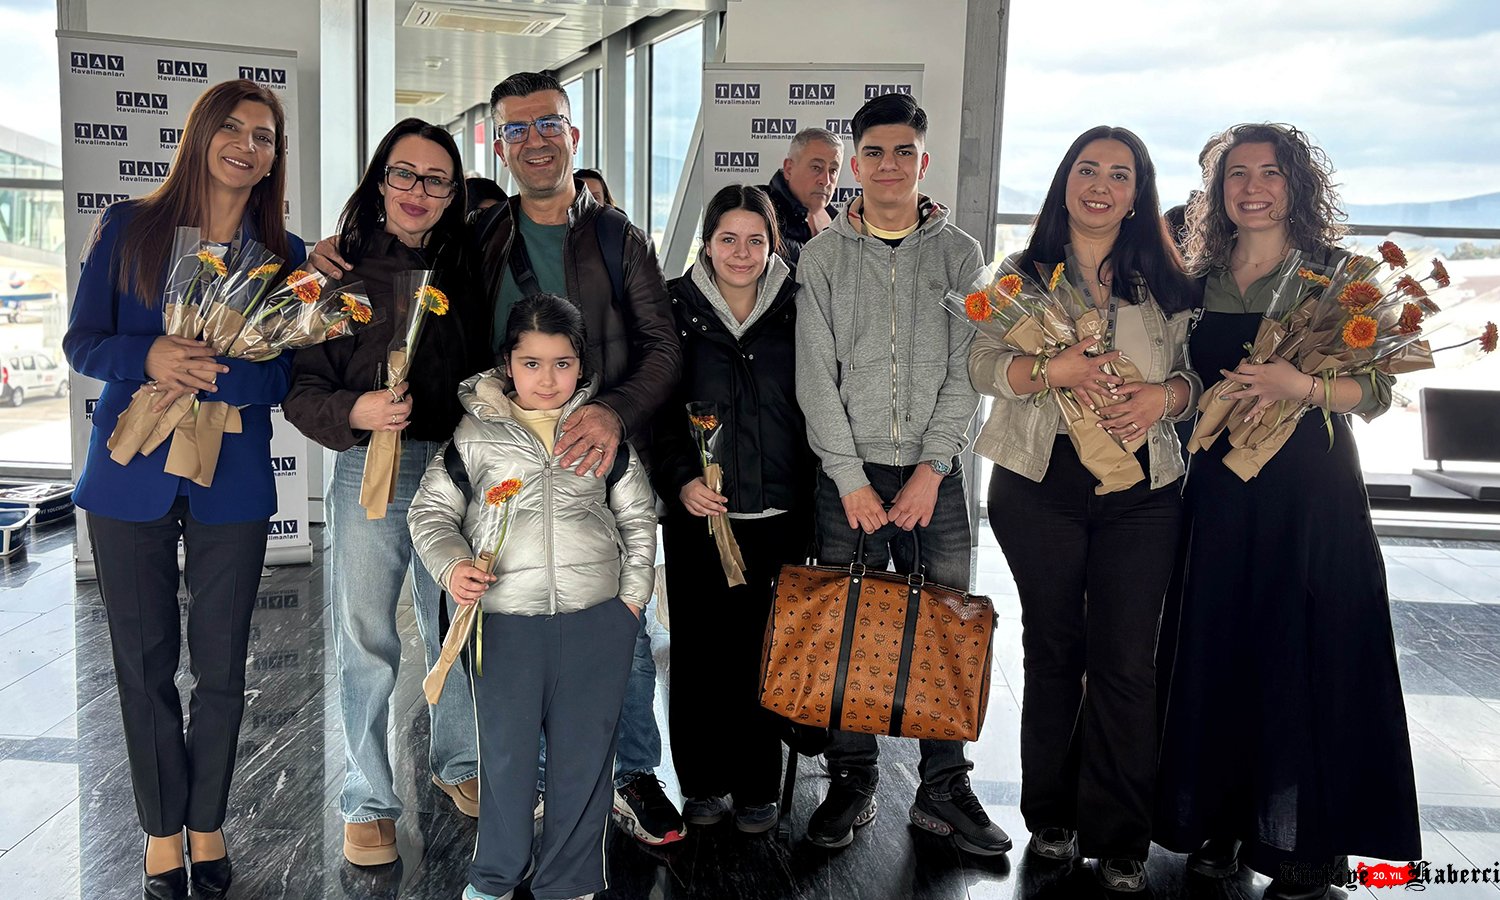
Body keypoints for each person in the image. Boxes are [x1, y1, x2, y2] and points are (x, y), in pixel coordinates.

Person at [313, 70, 685, 844]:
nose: (535, 141)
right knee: (504, 620)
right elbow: (401, 284)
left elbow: (663, 348)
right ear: (500, 145)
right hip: (497, 465)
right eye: (517, 129)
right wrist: (325, 253)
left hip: (593, 458)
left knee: (618, 621)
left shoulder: (617, 237)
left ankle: (633, 773)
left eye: (548, 124)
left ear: (572, 134)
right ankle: (497, 776)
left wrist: (612, 413)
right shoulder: (480, 237)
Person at [1155, 123, 1420, 900]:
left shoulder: (1341, 276)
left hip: (1312, 497)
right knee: (1219, 650)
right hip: (1218, 492)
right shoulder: (1196, 278)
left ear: (1296, 184)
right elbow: (1182, 380)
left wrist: (1297, 386)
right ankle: (1220, 822)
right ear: (1217, 191)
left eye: (1270, 173)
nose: (1253, 188)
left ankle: (1311, 847)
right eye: (1236, 174)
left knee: (1306, 654)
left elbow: (1376, 391)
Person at [62, 78, 302, 900]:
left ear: (273, 158)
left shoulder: (287, 257)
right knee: (143, 662)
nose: (246, 145)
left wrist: (221, 373)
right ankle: (163, 830)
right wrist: (150, 357)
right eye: (231, 128)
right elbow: (82, 342)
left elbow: (287, 379)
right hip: (126, 475)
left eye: (263, 136)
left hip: (230, 480)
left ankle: (208, 822)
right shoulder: (129, 227)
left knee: (224, 667)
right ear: (199, 135)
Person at [968, 126, 1202, 894]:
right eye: (1087, 169)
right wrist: (1051, 369)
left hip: (1143, 493)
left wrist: (1165, 396)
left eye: (1119, 174)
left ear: (1138, 195)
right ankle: (1053, 815)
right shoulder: (1017, 276)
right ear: (1065, 181)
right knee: (1055, 652)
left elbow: (1199, 380)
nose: (1101, 185)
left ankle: (1122, 834)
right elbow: (981, 366)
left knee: (1127, 660)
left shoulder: (1165, 280)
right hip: (1040, 487)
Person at [794, 91, 1008, 856]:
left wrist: (933, 466)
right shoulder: (821, 258)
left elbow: (968, 371)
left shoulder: (962, 255)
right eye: (875, 153)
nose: (889, 165)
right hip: (847, 478)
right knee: (848, 629)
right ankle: (852, 779)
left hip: (932, 479)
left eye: (904, 153)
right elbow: (815, 376)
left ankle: (943, 786)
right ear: (856, 165)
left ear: (924, 161)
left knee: (944, 628)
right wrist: (848, 476)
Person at [409, 292, 657, 900]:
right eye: (532, 363)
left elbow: (638, 520)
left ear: (581, 366)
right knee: (506, 758)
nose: (548, 379)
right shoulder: (474, 435)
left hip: (597, 621)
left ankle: (569, 881)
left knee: (584, 760)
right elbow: (430, 512)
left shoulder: (600, 431)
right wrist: (453, 566)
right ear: (508, 365)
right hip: (505, 625)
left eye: (562, 364)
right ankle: (496, 876)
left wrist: (630, 604)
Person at [282, 119, 479, 866]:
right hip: (373, 470)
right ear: (379, 180)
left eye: (436, 179)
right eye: (404, 173)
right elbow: (300, 389)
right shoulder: (336, 271)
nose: (418, 190)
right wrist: (355, 412)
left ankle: (459, 762)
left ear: (453, 193)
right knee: (367, 635)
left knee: (456, 622)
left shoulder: (470, 265)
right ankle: (367, 799)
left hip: (456, 471)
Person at [651, 184, 812, 834]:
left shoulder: (801, 305)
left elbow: (818, 405)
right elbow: (656, 411)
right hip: (700, 516)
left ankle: (756, 787)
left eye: (755, 240)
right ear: (707, 242)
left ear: (773, 244)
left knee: (765, 653)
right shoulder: (673, 306)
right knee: (698, 654)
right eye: (728, 239)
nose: (741, 253)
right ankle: (702, 783)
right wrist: (681, 481)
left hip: (779, 516)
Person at [766, 127, 842, 265]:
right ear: (789, 169)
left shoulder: (841, 223)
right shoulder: (758, 209)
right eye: (816, 167)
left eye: (833, 170)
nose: (825, 181)